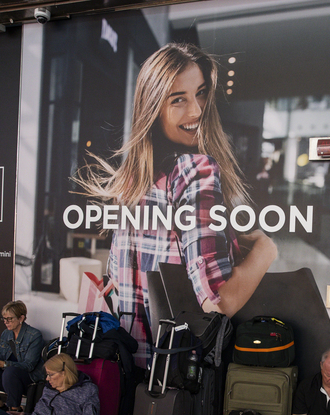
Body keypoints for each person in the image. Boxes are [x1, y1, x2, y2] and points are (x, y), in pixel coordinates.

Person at [75, 43, 277, 366]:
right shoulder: (194, 170)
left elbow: (119, 284)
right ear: (153, 107)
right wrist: (265, 249)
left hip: (130, 371)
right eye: (178, 100)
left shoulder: (132, 182)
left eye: (199, 93)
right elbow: (218, 302)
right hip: (182, 379)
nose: (196, 111)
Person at [0, 300, 45, 412]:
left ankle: (14, 409)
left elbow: (29, 366)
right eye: (4, 319)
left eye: (10, 319)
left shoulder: (34, 335)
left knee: (10, 371)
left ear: (21, 318)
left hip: (28, 380)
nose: (6, 322)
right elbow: (0, 356)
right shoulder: (6, 334)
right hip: (8, 378)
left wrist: (2, 363)